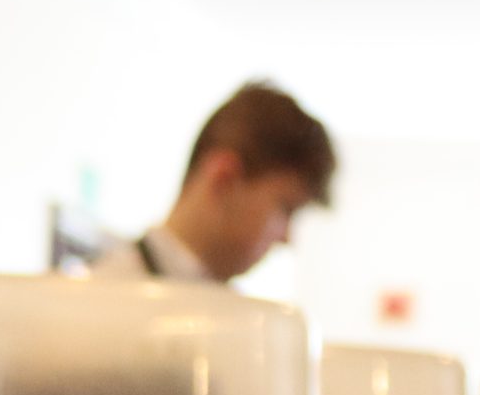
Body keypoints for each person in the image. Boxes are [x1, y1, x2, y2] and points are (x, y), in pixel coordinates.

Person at [92, 81, 337, 284]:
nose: (287, 238)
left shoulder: (235, 313)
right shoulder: (107, 292)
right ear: (224, 180)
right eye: (285, 208)